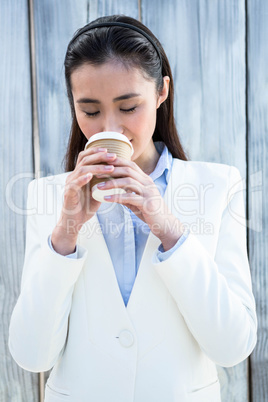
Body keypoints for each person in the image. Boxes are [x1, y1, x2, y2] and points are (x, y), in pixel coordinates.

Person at [9, 14, 257, 402]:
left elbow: (232, 346)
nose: (111, 127)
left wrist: (169, 230)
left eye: (128, 107)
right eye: (90, 112)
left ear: (162, 93)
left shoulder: (217, 186)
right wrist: (65, 234)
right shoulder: (47, 196)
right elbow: (32, 356)